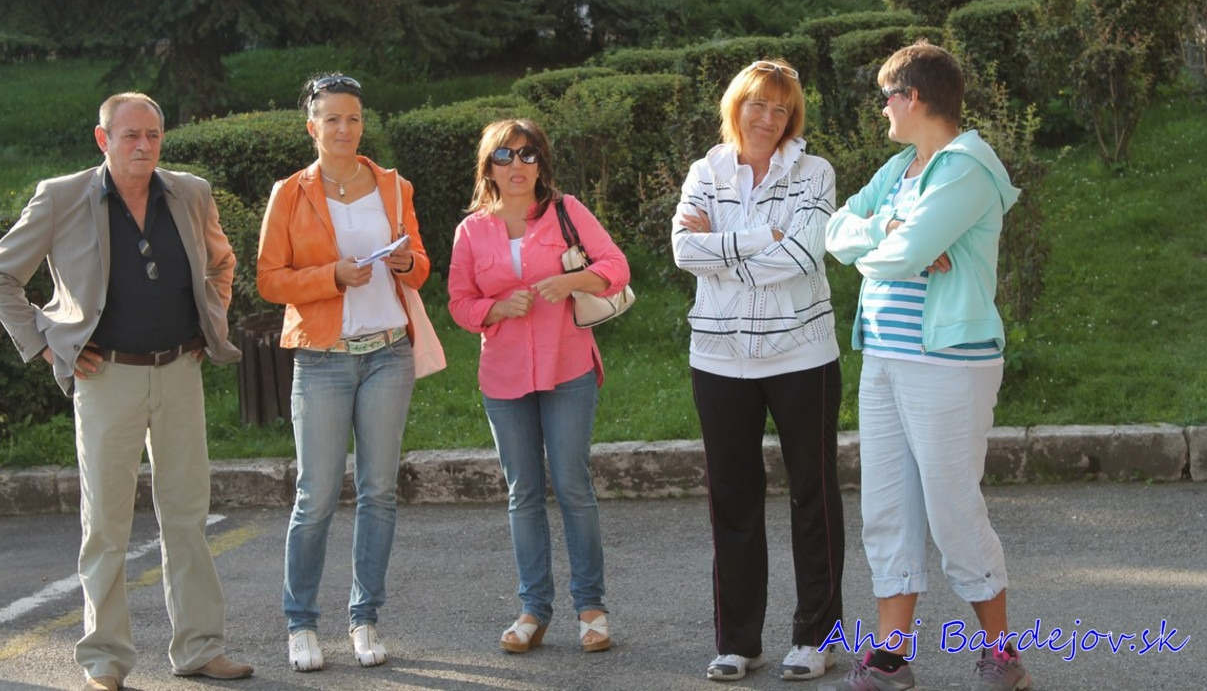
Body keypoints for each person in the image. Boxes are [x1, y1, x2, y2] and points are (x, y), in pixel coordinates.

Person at [0, 93, 252, 691]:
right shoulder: (61, 197)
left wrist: (211, 322)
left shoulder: (191, 192)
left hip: (179, 370)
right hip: (105, 378)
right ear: (103, 140)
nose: (144, 146)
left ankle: (200, 648)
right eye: (130, 135)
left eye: (153, 135)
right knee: (105, 524)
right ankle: (104, 661)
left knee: (187, 516)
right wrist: (48, 346)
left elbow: (221, 263)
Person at [824, 41, 1027, 691]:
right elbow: (835, 230)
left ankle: (1002, 654)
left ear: (912, 97)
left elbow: (900, 255)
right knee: (887, 507)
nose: (882, 110)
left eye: (886, 98)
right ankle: (891, 656)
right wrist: (890, 232)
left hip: (947, 362)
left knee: (952, 509)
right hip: (884, 355)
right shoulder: (899, 169)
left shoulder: (967, 166)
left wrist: (891, 243)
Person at [671, 60, 844, 683]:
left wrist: (720, 247)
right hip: (718, 359)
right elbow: (682, 250)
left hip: (802, 356)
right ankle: (739, 642)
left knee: (813, 496)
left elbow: (802, 255)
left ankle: (817, 639)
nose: (768, 118)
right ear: (736, 107)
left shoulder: (815, 172)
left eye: (781, 108)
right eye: (757, 104)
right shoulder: (706, 170)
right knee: (732, 500)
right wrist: (757, 238)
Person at [256, 72, 429, 673]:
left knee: (379, 493)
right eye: (332, 119)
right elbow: (269, 279)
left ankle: (365, 618)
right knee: (316, 496)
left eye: (353, 118)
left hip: (389, 354)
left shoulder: (393, 185)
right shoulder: (289, 193)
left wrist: (405, 262)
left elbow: (420, 266)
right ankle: (301, 623)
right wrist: (330, 276)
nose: (344, 128)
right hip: (323, 359)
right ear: (312, 127)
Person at [447, 118, 630, 656]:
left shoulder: (567, 210)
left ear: (541, 163)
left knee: (572, 485)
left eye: (528, 155)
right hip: (503, 377)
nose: (517, 165)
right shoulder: (471, 231)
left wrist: (570, 281)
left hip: (568, 366)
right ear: (489, 167)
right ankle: (533, 609)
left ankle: (591, 608)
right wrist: (496, 308)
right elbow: (459, 303)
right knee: (522, 493)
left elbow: (616, 267)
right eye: (504, 156)